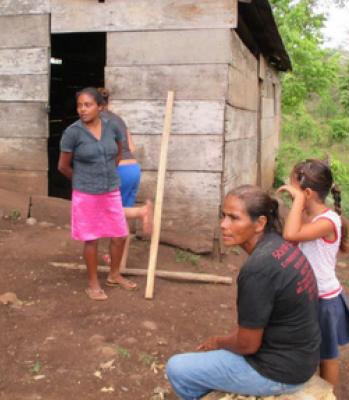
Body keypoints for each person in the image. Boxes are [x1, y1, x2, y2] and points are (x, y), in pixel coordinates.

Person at [166, 185, 321, 399]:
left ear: (260, 223)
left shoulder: (258, 269)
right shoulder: (281, 246)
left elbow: (248, 345)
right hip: (302, 358)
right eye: (223, 216)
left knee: (177, 368)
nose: (223, 225)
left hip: (280, 373)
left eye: (234, 218)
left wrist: (218, 342)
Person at [277, 159, 349, 387]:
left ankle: (328, 395)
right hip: (308, 294)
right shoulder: (312, 218)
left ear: (307, 193)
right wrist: (299, 203)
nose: (290, 193)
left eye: (294, 189)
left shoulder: (328, 221)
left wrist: (296, 201)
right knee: (310, 349)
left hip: (324, 298)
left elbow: (291, 235)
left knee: (328, 356)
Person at [58, 87, 137, 301]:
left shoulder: (112, 127)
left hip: (111, 189)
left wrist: (107, 174)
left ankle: (114, 275)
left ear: (100, 107)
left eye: (87, 105)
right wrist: (83, 181)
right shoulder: (73, 132)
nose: (82, 110)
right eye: (79, 105)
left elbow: (118, 153)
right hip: (86, 193)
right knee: (91, 239)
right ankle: (93, 284)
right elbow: (63, 166)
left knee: (120, 234)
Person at [97, 87, 153, 269]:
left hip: (117, 170)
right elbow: (132, 146)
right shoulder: (118, 120)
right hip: (132, 169)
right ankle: (119, 264)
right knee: (122, 218)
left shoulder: (97, 121)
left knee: (102, 209)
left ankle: (141, 212)